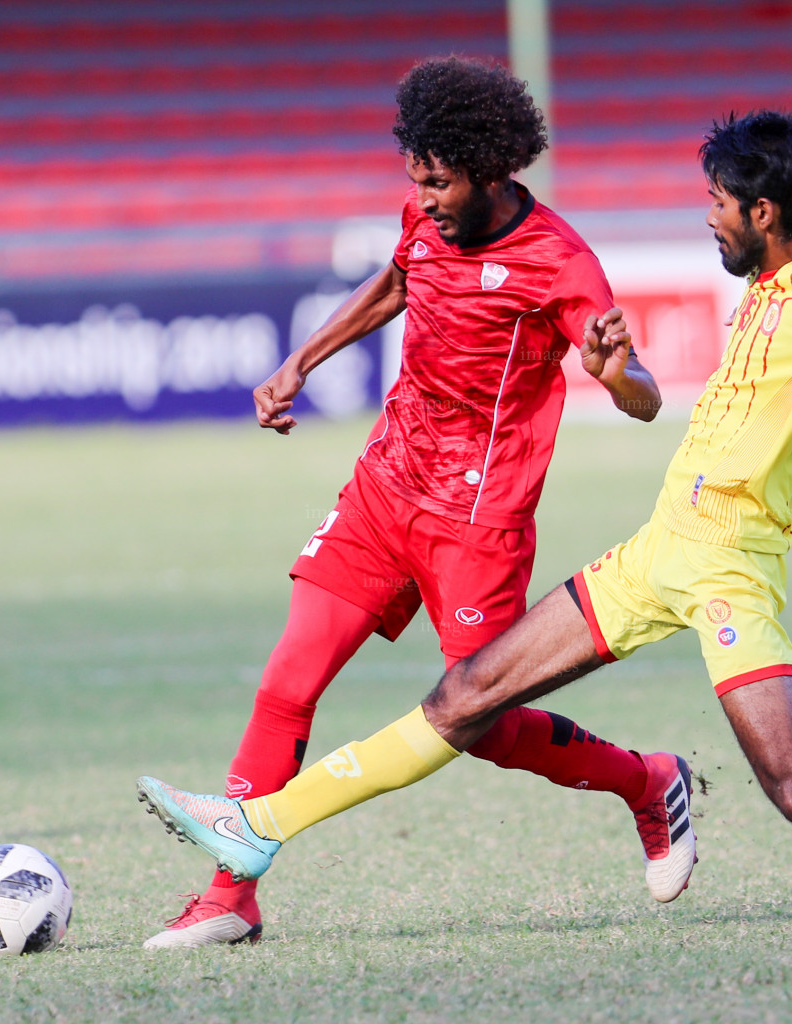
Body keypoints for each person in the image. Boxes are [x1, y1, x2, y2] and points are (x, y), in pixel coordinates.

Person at [136, 110, 792, 930]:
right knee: (466, 693)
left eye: (714, 205)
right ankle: (258, 828)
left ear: (759, 209)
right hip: (660, 543)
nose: (703, 220)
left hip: (726, 565)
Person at [141, 56, 695, 949]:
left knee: (480, 724)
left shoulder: (558, 261)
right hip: (383, 487)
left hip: (477, 521)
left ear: (491, 168)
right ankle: (227, 897)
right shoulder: (421, 216)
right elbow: (399, 281)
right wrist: (300, 362)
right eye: (415, 178)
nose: (424, 197)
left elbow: (644, 395)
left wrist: (613, 370)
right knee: (289, 679)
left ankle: (646, 781)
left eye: (438, 182)